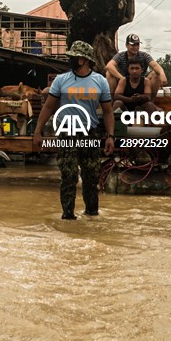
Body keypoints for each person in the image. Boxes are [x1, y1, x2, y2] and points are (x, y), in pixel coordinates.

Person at [32, 41, 116, 220]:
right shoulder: (61, 80)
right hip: (67, 132)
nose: (70, 59)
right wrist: (38, 132)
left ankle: (92, 215)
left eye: (74, 57)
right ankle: (68, 217)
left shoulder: (100, 81)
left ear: (85, 60)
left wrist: (110, 136)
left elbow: (108, 112)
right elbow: (48, 107)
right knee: (68, 176)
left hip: (90, 133)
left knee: (91, 177)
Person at [106, 34, 168, 101]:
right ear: (126, 45)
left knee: (156, 74)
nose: (135, 47)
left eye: (137, 45)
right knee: (109, 73)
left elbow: (155, 65)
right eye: (132, 45)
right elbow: (109, 65)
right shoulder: (120, 56)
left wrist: (162, 74)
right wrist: (122, 79)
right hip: (124, 85)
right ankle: (113, 101)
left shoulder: (144, 55)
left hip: (141, 83)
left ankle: (150, 101)